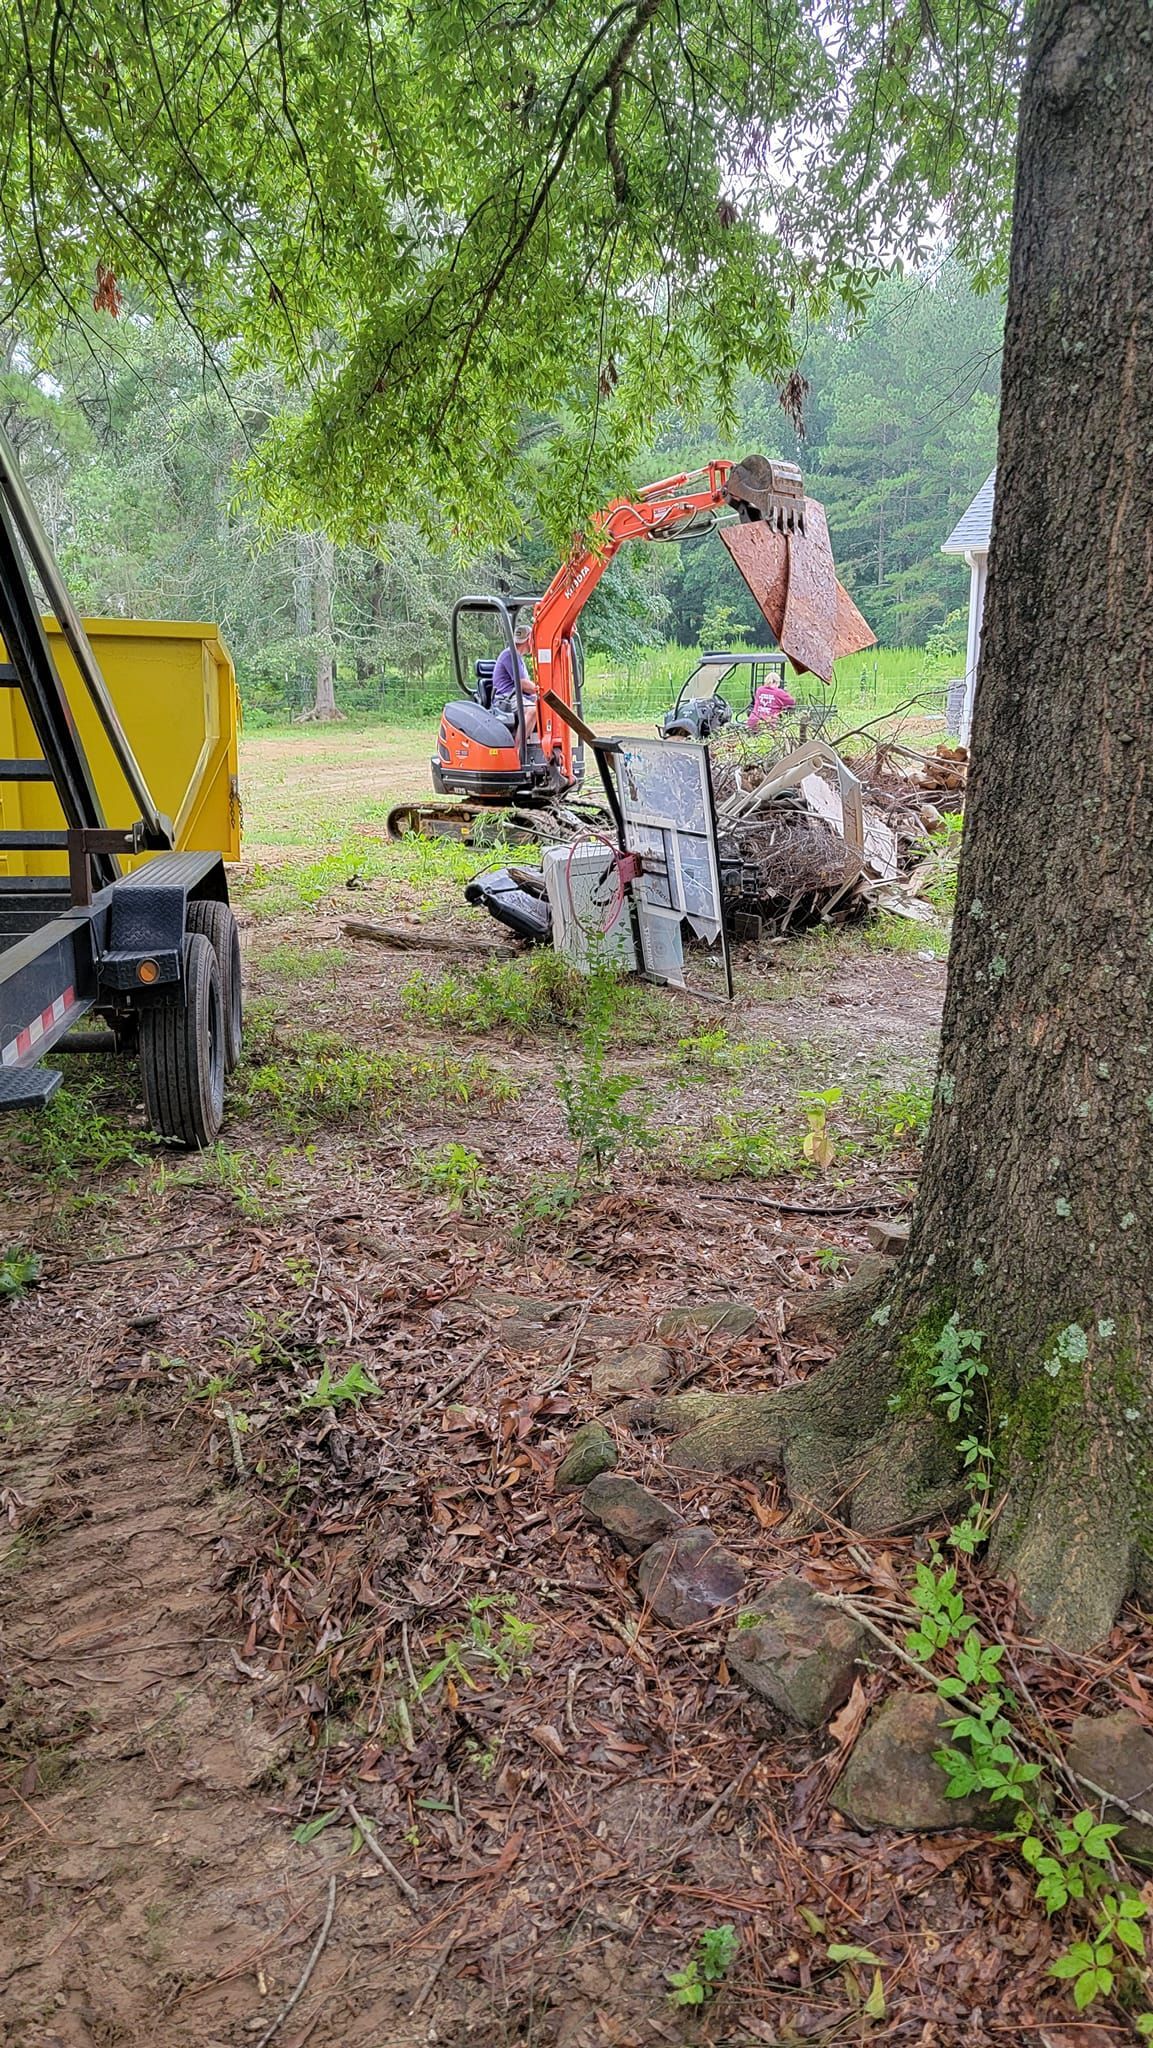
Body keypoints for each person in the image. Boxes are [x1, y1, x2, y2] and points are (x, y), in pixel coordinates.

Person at [490, 621, 538, 737]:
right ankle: (517, 751)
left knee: (544, 705)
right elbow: (522, 684)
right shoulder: (510, 655)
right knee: (532, 710)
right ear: (528, 640)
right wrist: (540, 689)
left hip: (516, 696)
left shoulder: (517, 657)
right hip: (506, 698)